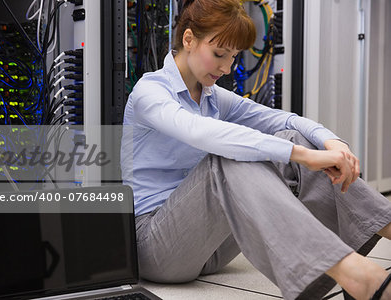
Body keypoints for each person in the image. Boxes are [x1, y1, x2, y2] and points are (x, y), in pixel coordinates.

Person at [121, 0, 391, 299]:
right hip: (155, 246)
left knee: (290, 137)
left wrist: (331, 142)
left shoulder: (212, 97)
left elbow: (285, 119)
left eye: (234, 57)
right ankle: (357, 277)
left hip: (208, 248)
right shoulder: (150, 92)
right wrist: (303, 156)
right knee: (226, 159)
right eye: (219, 54)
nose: (226, 68)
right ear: (188, 39)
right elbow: (202, 133)